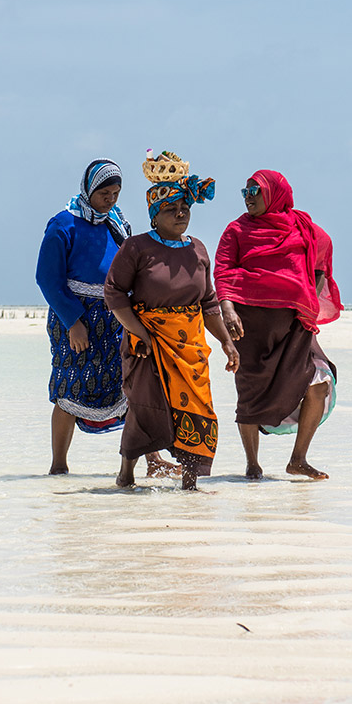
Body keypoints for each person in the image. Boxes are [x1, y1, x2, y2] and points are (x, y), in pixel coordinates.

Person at [36, 159, 179, 477]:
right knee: (68, 389)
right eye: (105, 193)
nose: (111, 199)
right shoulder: (63, 224)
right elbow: (47, 279)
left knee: (131, 386)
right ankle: (58, 465)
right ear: (89, 189)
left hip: (115, 318)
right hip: (74, 318)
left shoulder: (116, 223)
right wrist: (74, 321)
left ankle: (152, 463)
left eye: (116, 193)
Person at [104, 174, 240, 490]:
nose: (180, 214)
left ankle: (190, 484)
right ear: (154, 214)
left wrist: (227, 342)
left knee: (197, 406)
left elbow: (208, 302)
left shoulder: (199, 250)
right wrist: (140, 334)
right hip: (147, 344)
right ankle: (127, 474)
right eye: (171, 208)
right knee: (144, 407)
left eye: (184, 207)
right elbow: (114, 293)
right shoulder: (136, 247)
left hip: (190, 346)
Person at [214, 169, 344, 480]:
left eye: (255, 191)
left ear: (275, 194)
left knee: (319, 382)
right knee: (250, 394)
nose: (248, 198)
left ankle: (298, 459)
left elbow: (322, 260)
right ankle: (252, 466)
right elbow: (223, 272)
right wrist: (228, 311)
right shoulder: (236, 231)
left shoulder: (303, 228)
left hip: (294, 326)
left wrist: (309, 300)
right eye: (245, 192)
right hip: (250, 327)